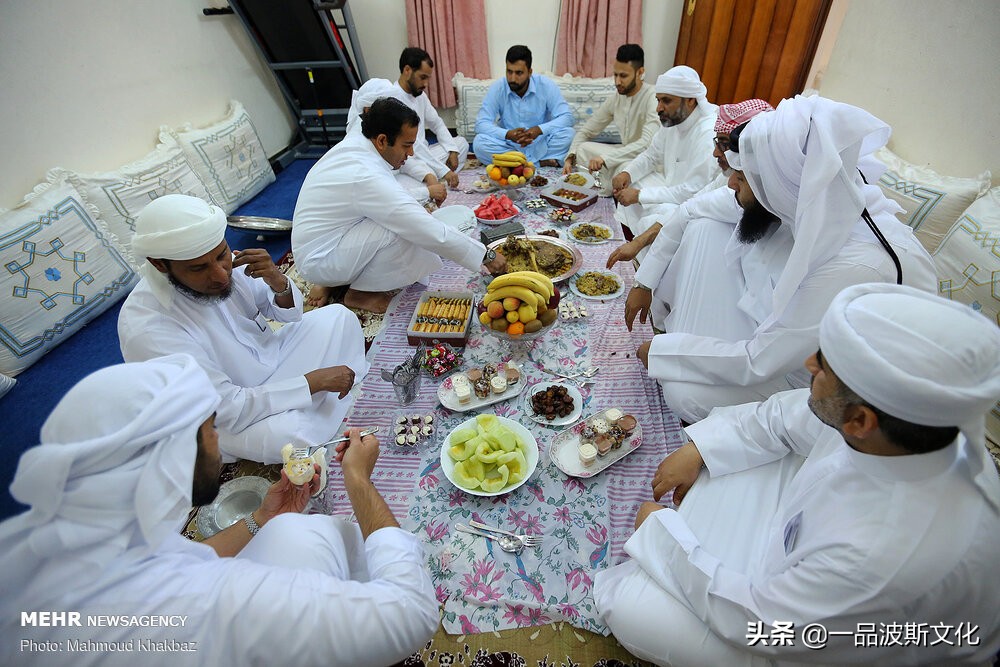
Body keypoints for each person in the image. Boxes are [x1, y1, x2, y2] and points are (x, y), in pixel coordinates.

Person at [595, 283, 1000, 666]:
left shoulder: (884, 555)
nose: (808, 364)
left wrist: (659, 536)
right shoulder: (911, 429)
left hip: (817, 642)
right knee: (747, 453)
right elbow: (784, 418)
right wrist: (702, 447)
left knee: (633, 607)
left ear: (860, 421)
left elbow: (763, 626)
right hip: (810, 573)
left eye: (823, 367)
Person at [0, 354, 439, 667]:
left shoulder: (33, 544)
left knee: (300, 532)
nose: (219, 440)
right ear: (174, 455)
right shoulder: (207, 602)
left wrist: (263, 518)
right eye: (212, 428)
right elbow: (411, 614)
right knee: (346, 551)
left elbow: (181, 559)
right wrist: (359, 480)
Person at [633, 95, 937, 424]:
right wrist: (644, 281)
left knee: (684, 394)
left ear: (778, 186)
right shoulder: (809, 196)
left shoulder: (852, 266)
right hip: (785, 336)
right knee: (706, 227)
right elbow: (696, 207)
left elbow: (760, 361)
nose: (731, 182)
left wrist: (665, 352)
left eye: (743, 176)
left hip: (830, 385)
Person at [118, 194, 368, 464]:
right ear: (159, 264)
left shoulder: (228, 264)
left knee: (340, 319)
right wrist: (311, 383)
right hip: (221, 417)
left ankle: (320, 407)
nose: (221, 274)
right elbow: (225, 408)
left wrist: (277, 280)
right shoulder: (149, 328)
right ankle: (320, 406)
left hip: (271, 365)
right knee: (292, 438)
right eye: (199, 268)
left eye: (221, 255)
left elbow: (289, 315)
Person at [293, 97, 506, 313]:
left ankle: (341, 280)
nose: (411, 153)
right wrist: (485, 256)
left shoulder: (361, 142)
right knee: (406, 230)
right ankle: (360, 292)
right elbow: (422, 227)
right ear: (382, 140)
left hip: (330, 241)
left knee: (408, 217)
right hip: (321, 259)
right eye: (407, 145)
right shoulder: (364, 173)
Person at [606, 99, 773, 266]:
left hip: (726, 258)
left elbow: (693, 193)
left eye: (723, 145)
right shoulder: (728, 176)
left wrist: (640, 198)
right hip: (676, 196)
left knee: (698, 229)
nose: (715, 153)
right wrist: (638, 243)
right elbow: (691, 205)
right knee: (666, 220)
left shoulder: (704, 130)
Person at [611, 65, 719, 239]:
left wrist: (640, 196)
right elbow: (651, 156)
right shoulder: (673, 120)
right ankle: (631, 238)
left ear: (690, 100)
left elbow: (693, 191)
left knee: (662, 213)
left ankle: (639, 249)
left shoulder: (707, 133)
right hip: (671, 190)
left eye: (666, 101)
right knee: (628, 177)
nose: (658, 108)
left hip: (692, 205)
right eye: (658, 100)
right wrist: (627, 174)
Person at [562, 44, 659, 196]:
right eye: (616, 75)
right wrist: (570, 156)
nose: (617, 82)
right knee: (583, 149)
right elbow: (587, 130)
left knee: (625, 168)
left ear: (640, 72)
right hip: (623, 153)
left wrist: (606, 158)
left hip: (644, 158)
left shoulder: (653, 97)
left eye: (624, 76)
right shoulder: (616, 98)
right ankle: (606, 187)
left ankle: (606, 188)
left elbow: (646, 144)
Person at [347, 77, 449, 208]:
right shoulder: (363, 145)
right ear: (368, 111)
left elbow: (406, 155)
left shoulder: (381, 133)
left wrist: (429, 176)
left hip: (393, 177)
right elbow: (383, 199)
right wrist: (427, 192)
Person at [472, 44, 575, 167]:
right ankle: (539, 162)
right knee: (479, 143)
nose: (512, 78)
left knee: (570, 134)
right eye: (509, 72)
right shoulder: (498, 87)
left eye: (519, 73)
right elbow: (481, 124)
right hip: (509, 144)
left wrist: (539, 130)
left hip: (540, 142)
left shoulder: (546, 85)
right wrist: (507, 134)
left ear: (530, 72)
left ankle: (515, 164)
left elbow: (567, 117)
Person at [394, 47, 470, 188]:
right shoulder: (394, 98)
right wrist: (444, 170)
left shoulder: (420, 95)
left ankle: (434, 178)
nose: (426, 84)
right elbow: (413, 146)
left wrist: (452, 150)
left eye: (428, 78)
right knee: (410, 178)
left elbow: (437, 124)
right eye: (423, 77)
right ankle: (433, 178)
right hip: (406, 159)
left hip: (425, 154)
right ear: (407, 70)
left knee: (462, 144)